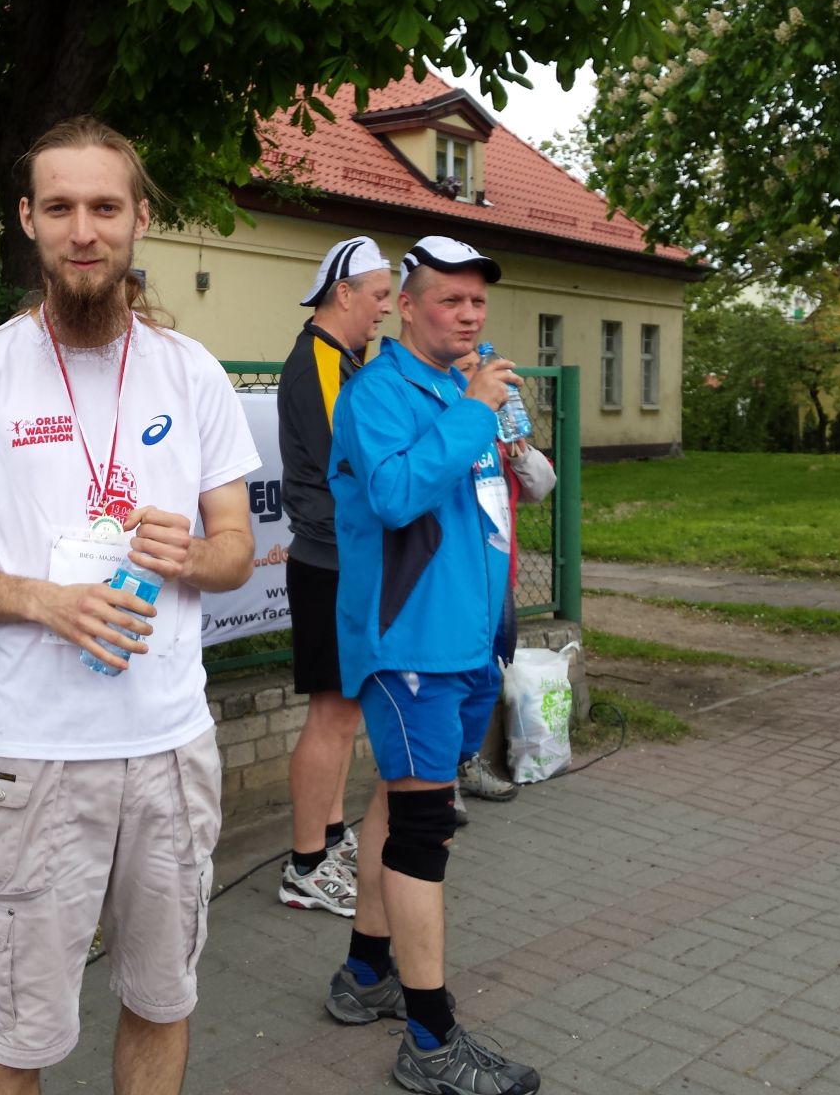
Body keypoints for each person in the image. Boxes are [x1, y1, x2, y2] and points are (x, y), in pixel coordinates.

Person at [0, 115, 260, 1095]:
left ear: (140, 217)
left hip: (169, 750)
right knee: (13, 1036)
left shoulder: (191, 373)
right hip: (35, 756)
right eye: (59, 207)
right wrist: (44, 602)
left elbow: (237, 549)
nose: (83, 229)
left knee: (162, 1001)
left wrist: (193, 555)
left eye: (105, 206)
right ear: (28, 220)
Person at [322, 236, 541, 1095]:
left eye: (478, 302)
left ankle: (364, 974)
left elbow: (486, 505)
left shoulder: (463, 389)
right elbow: (394, 495)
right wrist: (475, 412)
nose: (470, 315)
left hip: (465, 640)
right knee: (424, 824)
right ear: (407, 307)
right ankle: (430, 1040)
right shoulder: (379, 392)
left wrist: (497, 426)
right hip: (409, 644)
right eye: (451, 300)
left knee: (397, 796)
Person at [276, 235, 393, 916]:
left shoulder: (343, 360)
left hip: (341, 559)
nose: (386, 308)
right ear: (342, 294)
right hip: (329, 561)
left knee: (344, 713)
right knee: (332, 715)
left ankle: (328, 835)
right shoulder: (319, 362)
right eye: (378, 296)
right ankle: (304, 866)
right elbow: (348, 468)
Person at [450, 349, 557, 807]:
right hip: (454, 581)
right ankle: (440, 782)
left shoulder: (498, 432)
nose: (480, 377)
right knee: (450, 678)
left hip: (498, 577)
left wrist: (518, 450)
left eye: (481, 367)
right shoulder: (447, 429)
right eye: (468, 369)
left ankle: (465, 762)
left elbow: (542, 486)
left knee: (487, 672)